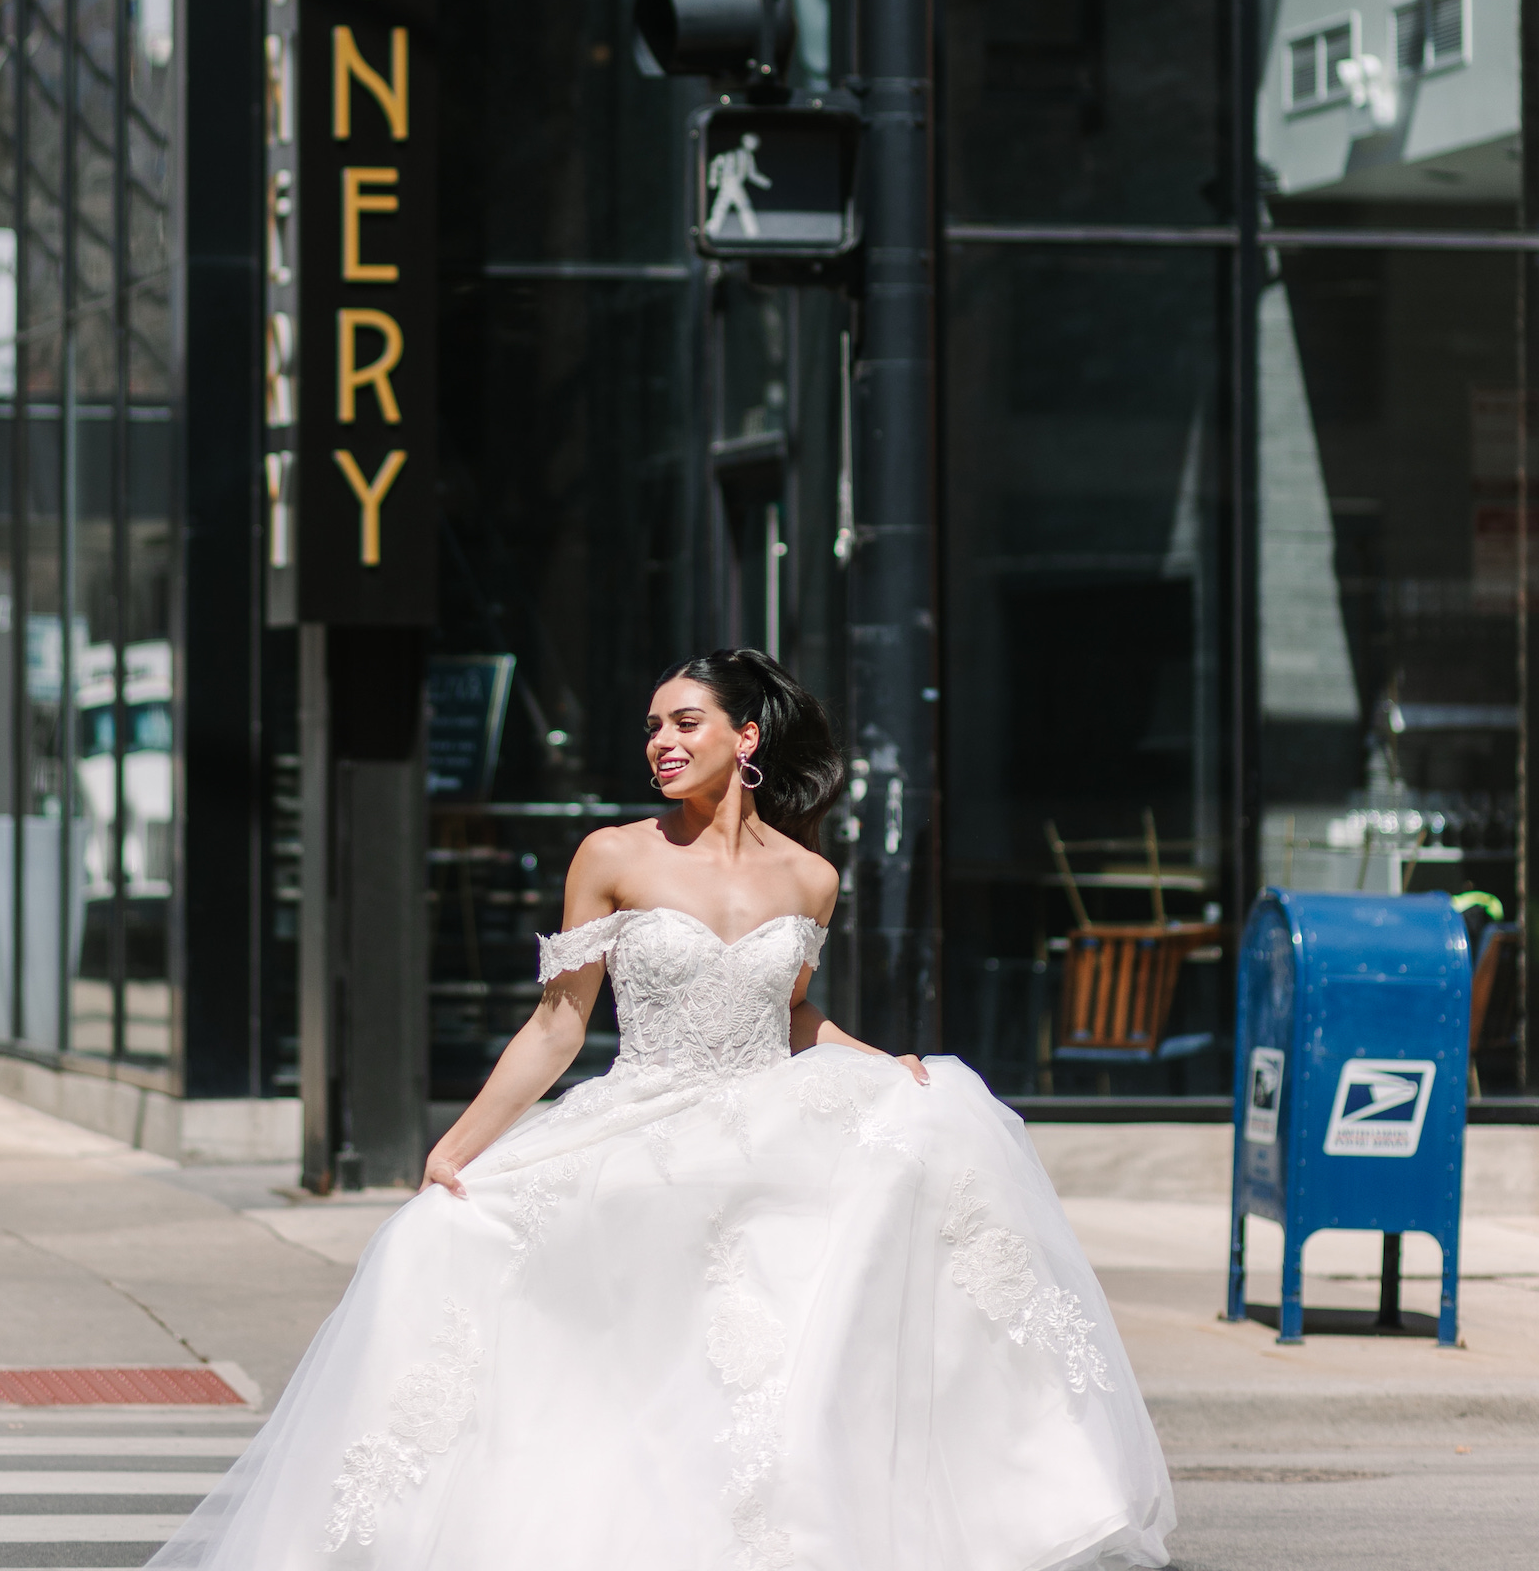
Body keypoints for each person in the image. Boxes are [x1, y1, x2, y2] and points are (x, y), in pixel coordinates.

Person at [151, 647, 1173, 1571]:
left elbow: (792, 1014)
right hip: (643, 1117)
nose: (660, 742)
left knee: (920, 1146)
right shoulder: (611, 855)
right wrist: (455, 1147)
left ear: (746, 737)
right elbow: (557, 1024)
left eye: (683, 722)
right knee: (454, 1252)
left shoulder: (810, 877)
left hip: (769, 1123)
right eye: (650, 726)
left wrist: (883, 1062)